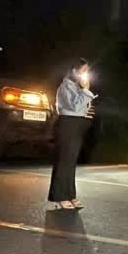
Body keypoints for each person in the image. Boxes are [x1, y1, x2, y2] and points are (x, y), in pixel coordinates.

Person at [48, 59, 96, 210]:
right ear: (74, 71)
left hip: (76, 125)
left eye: (87, 71)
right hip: (67, 125)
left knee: (71, 162)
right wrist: (86, 90)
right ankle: (59, 197)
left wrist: (84, 92)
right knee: (64, 161)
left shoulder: (76, 87)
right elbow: (75, 106)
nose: (85, 74)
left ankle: (70, 194)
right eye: (83, 70)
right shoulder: (65, 86)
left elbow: (82, 107)